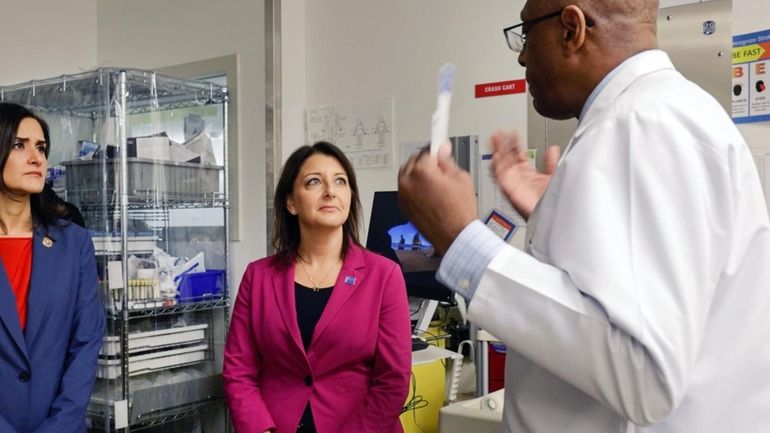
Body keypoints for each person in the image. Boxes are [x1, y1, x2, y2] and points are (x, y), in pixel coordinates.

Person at [397, 1, 770, 433]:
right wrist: (556, 218)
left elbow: (644, 374)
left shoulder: (640, 124)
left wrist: (462, 241)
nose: (520, 55)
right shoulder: (674, 113)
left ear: (571, 28)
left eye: (526, 32)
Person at [224, 141, 412, 433]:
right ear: (291, 202)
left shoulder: (384, 275)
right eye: (314, 182)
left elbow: (393, 381)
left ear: (350, 196)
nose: (330, 191)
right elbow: (238, 371)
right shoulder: (258, 276)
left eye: (340, 181)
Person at [0, 102, 105, 432]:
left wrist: (61, 425)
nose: (37, 158)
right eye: (19, 145)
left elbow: (86, 343)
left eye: (41, 148)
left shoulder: (74, 243)